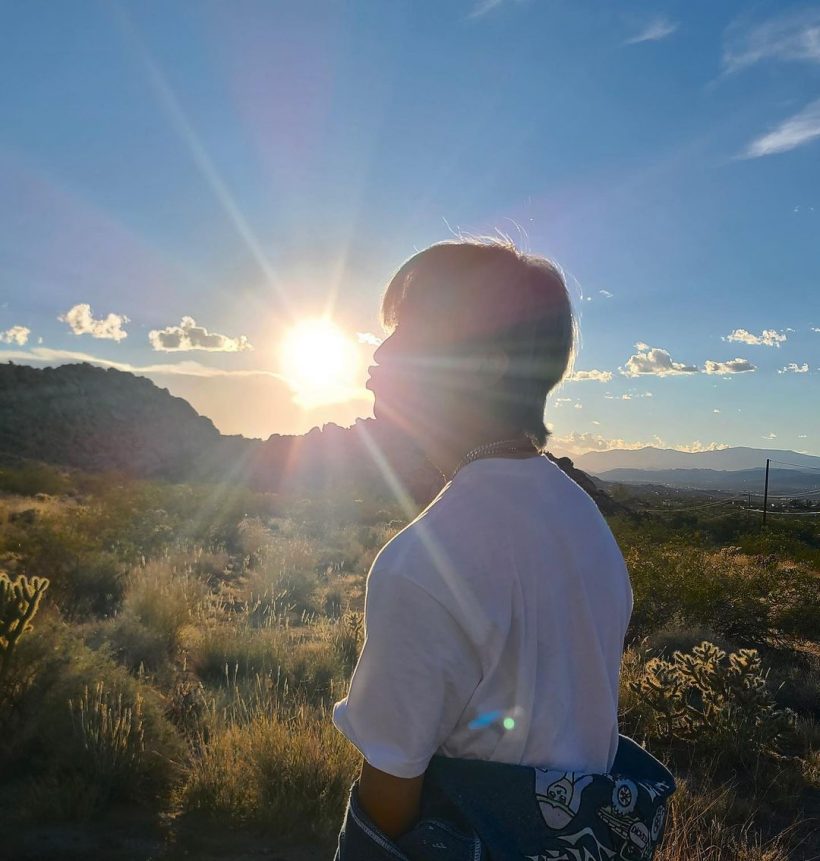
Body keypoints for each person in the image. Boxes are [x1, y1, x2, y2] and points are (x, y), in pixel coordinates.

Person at [332, 238, 674, 860]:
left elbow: (390, 790)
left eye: (410, 332)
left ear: (487, 362)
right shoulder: (585, 521)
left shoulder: (423, 564)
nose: (379, 353)